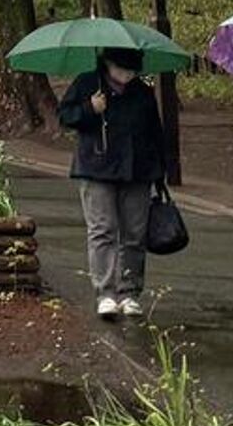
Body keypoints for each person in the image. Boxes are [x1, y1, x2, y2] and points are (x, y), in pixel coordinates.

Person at [57, 47, 164, 319]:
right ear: (108, 64)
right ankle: (105, 291)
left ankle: (129, 292)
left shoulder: (142, 92)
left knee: (134, 234)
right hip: (97, 168)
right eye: (121, 69)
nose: (126, 75)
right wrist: (89, 109)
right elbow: (65, 117)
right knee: (102, 229)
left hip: (137, 171)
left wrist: (159, 172)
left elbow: (155, 133)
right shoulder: (87, 83)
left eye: (131, 71)